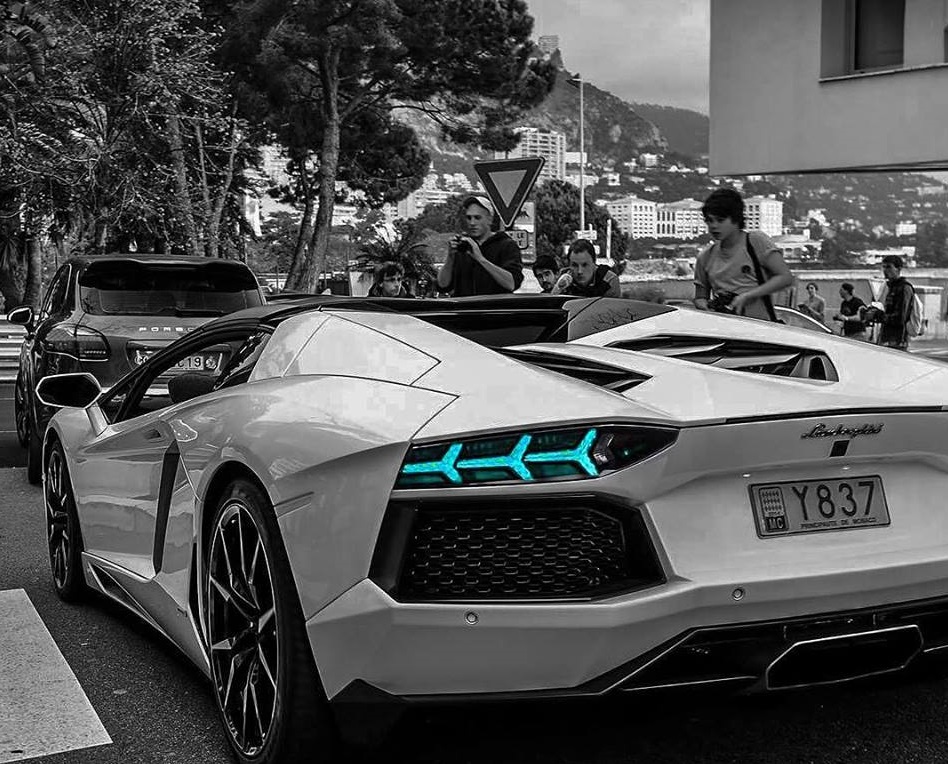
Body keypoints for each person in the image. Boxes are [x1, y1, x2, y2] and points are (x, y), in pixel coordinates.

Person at [693, 188, 795, 320]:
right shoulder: (705, 256)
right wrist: (708, 307)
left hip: (761, 326)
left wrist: (747, 296)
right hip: (725, 328)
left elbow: (785, 277)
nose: (713, 226)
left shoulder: (755, 242)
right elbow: (700, 297)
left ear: (735, 219)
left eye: (720, 220)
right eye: (709, 221)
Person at [436, 195, 524, 296]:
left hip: (494, 305)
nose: (472, 223)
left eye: (477, 218)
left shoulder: (507, 245)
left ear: (490, 219)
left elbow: (511, 283)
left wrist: (481, 259)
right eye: (469, 218)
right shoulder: (463, 246)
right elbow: (442, 285)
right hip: (465, 305)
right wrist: (450, 257)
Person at [866, 255, 914, 350]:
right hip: (887, 338)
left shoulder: (904, 288)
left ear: (898, 269)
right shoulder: (891, 287)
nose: (885, 270)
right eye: (884, 267)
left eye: (889, 267)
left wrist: (878, 315)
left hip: (897, 341)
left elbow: (900, 318)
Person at [551, 239, 621, 297]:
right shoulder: (563, 278)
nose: (580, 271)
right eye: (575, 265)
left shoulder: (608, 280)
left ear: (594, 263)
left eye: (585, 265)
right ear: (569, 265)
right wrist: (558, 288)